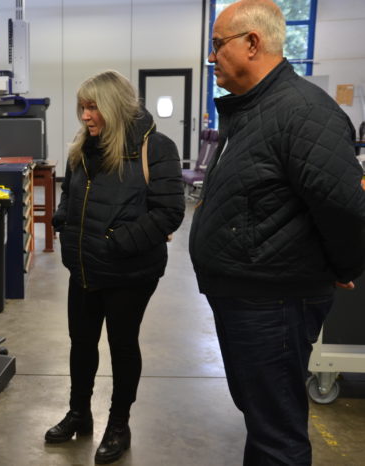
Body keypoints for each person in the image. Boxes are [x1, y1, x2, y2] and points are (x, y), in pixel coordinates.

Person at [189, 1, 365, 464]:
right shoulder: (254, 109)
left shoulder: (304, 113)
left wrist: (343, 265)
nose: (211, 57)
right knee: (262, 415)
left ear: (252, 43)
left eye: (217, 45)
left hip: (273, 302)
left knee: (276, 434)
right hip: (247, 295)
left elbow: (345, 207)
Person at [46, 70, 185, 464]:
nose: (85, 116)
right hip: (84, 266)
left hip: (130, 272)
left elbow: (169, 211)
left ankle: (118, 424)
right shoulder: (82, 147)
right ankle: (78, 413)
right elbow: (69, 193)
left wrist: (117, 243)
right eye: (82, 108)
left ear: (115, 107)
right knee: (81, 343)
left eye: (93, 108)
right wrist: (63, 223)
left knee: (123, 346)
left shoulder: (155, 147)